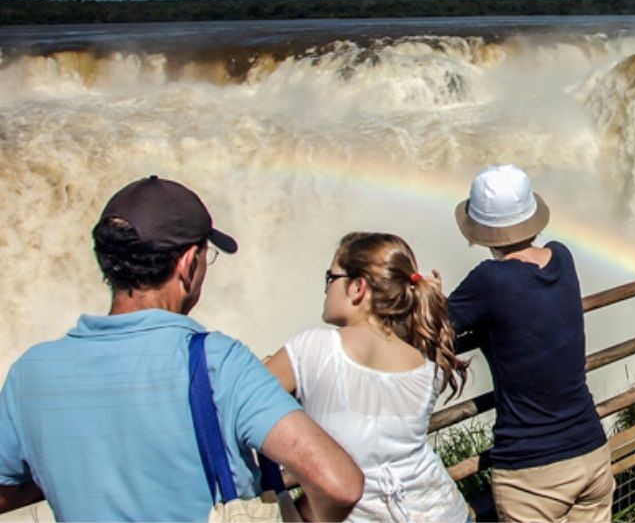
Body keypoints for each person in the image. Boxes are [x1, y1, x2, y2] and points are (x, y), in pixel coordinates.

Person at [0, 176, 363, 521]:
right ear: (189, 263)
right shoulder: (218, 362)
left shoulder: (30, 373)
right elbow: (340, 484)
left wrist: (70, 476)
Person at [264, 232, 471, 522]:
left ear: (358, 287)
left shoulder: (313, 348)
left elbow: (243, 400)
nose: (326, 290)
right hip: (446, 513)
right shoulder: (426, 364)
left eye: (330, 278)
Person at [448, 165, 613, 522]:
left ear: (481, 233)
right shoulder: (562, 256)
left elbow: (434, 325)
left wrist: (426, 295)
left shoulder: (489, 280)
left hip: (533, 471)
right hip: (591, 452)